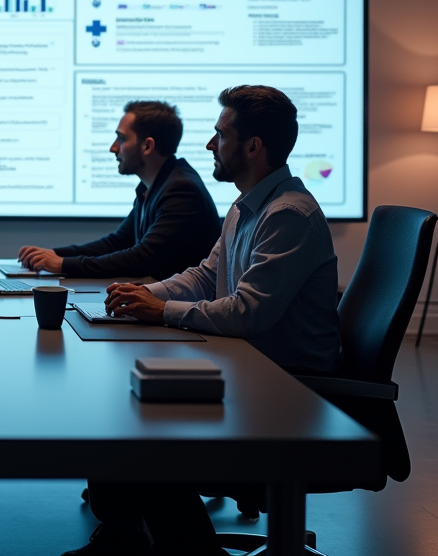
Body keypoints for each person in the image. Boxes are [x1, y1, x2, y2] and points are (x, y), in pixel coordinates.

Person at [64, 86, 341, 556]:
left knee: (150, 440)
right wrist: (143, 295)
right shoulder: (247, 205)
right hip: (252, 372)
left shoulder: (288, 215)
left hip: (287, 393)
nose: (211, 145)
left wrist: (161, 310)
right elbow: (204, 276)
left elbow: (248, 312)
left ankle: (177, 551)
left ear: (252, 146)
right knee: (123, 405)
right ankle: (123, 537)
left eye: (220, 134)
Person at [18, 100, 220, 280]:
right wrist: (53, 255)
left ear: (147, 146)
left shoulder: (182, 190)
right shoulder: (153, 185)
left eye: (121, 139)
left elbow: (141, 258)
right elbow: (117, 243)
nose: (113, 148)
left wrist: (62, 264)